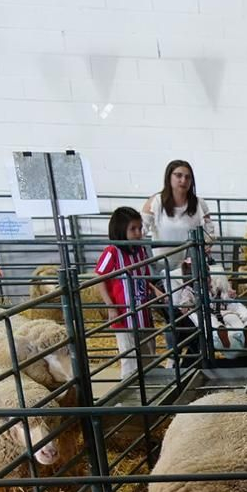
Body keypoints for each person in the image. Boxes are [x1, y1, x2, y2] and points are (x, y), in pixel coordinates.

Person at [178, 256, 247, 401]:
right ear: (189, 279)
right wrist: (186, 308)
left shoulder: (215, 287)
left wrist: (229, 294)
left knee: (234, 318)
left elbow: (229, 301)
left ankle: (245, 334)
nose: (206, 279)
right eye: (201, 277)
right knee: (211, 322)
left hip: (224, 312)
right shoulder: (188, 292)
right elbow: (184, 306)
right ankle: (223, 337)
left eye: (207, 275)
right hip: (208, 317)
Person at [93, 206, 155, 380]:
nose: (138, 233)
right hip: (123, 316)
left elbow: (146, 277)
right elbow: (100, 278)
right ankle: (131, 392)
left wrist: (156, 292)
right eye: (133, 229)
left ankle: (151, 391)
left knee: (149, 354)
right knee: (130, 358)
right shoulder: (112, 251)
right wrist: (111, 307)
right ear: (121, 230)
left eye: (140, 228)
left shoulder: (140, 250)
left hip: (143, 311)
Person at [141, 159, 215, 253]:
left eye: (188, 177)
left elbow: (210, 233)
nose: (183, 180)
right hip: (163, 262)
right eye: (178, 175)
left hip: (192, 263)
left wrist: (208, 244)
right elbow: (140, 231)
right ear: (169, 177)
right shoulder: (155, 202)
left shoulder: (200, 203)